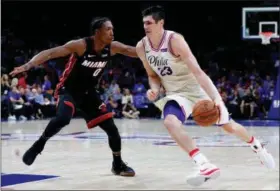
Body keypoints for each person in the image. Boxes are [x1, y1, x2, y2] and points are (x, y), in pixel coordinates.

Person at [136, 6, 275, 186]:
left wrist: (216, 99)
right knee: (170, 122)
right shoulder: (142, 47)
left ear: (160, 23)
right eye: (144, 23)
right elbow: (152, 75)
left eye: (149, 23)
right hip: (176, 94)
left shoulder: (175, 40)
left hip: (197, 90)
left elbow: (198, 72)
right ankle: (204, 164)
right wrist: (153, 89)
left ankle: (257, 146)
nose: (146, 26)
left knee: (229, 127)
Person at [10, 17, 137, 177]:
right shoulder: (81, 45)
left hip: (90, 93)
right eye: (108, 29)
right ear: (97, 32)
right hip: (69, 90)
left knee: (112, 130)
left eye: (113, 29)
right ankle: (39, 145)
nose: (112, 32)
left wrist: (157, 53)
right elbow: (50, 53)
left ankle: (117, 165)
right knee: (63, 119)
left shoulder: (112, 47)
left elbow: (133, 51)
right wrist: (28, 65)